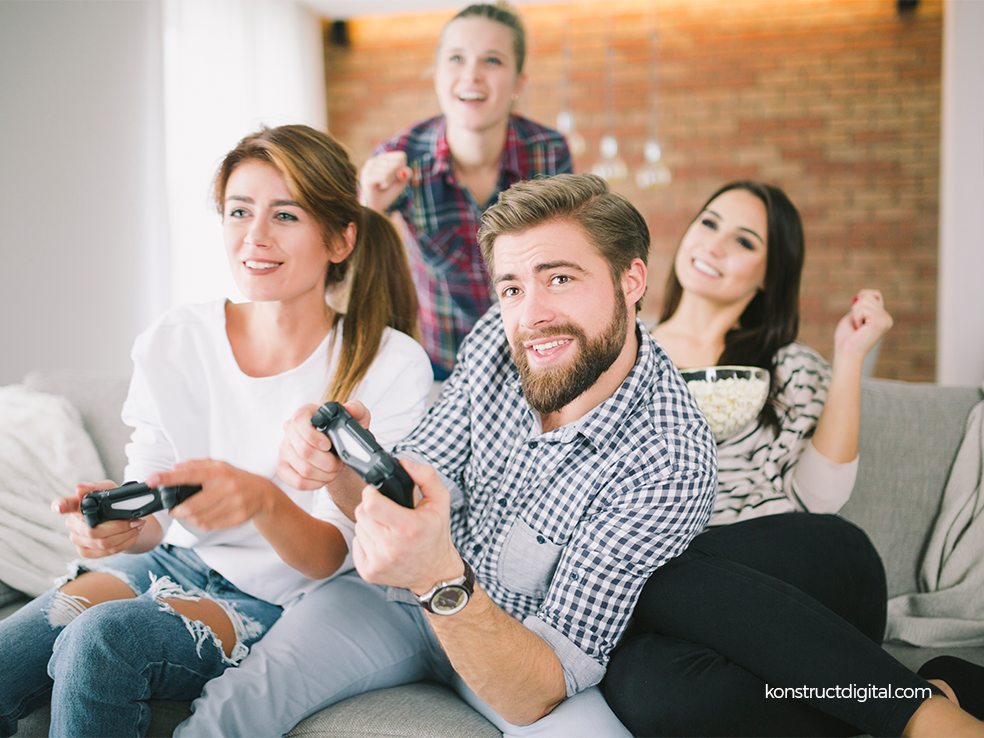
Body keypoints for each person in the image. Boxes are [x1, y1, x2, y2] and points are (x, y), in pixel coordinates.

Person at [169, 173, 716, 737]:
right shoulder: (500, 339)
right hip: (394, 601)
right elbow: (407, 482)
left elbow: (540, 687)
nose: (531, 316)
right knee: (229, 713)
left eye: (559, 278)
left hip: (516, 650)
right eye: (512, 288)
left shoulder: (668, 460)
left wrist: (439, 578)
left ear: (632, 279)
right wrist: (337, 469)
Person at [0, 124, 433, 737]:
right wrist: (114, 527)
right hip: (169, 564)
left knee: (102, 642)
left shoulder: (389, 364)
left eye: (285, 215)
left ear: (340, 238)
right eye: (238, 211)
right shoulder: (175, 340)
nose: (254, 237)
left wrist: (260, 498)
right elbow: (153, 515)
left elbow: (328, 558)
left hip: (276, 601)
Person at [601, 181, 984, 737]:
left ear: (769, 274)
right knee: (648, 688)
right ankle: (922, 697)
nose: (715, 245)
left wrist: (849, 357)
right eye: (708, 224)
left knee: (653, 571)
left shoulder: (788, 368)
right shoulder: (617, 357)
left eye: (744, 241)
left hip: (809, 574)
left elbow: (821, 496)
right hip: (680, 609)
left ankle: (926, 721)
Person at [360, 2, 573, 380]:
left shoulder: (548, 150)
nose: (471, 75)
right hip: (442, 367)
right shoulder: (400, 157)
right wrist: (369, 208)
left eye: (492, 60)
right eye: (456, 58)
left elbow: (571, 257)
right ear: (437, 74)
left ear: (518, 83)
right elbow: (354, 274)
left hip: (535, 357)